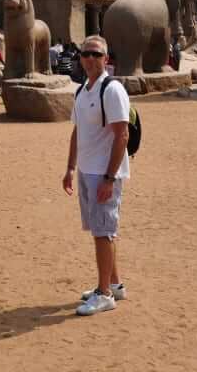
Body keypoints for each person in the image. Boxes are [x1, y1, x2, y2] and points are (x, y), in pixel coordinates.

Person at [62, 35, 132, 317]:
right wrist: (69, 167)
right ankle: (113, 284)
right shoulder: (83, 91)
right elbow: (77, 132)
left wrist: (109, 177)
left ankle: (104, 295)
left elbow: (122, 135)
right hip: (86, 170)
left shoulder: (112, 90)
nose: (90, 59)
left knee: (103, 232)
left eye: (96, 54)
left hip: (104, 173)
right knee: (102, 230)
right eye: (85, 53)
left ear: (106, 58)